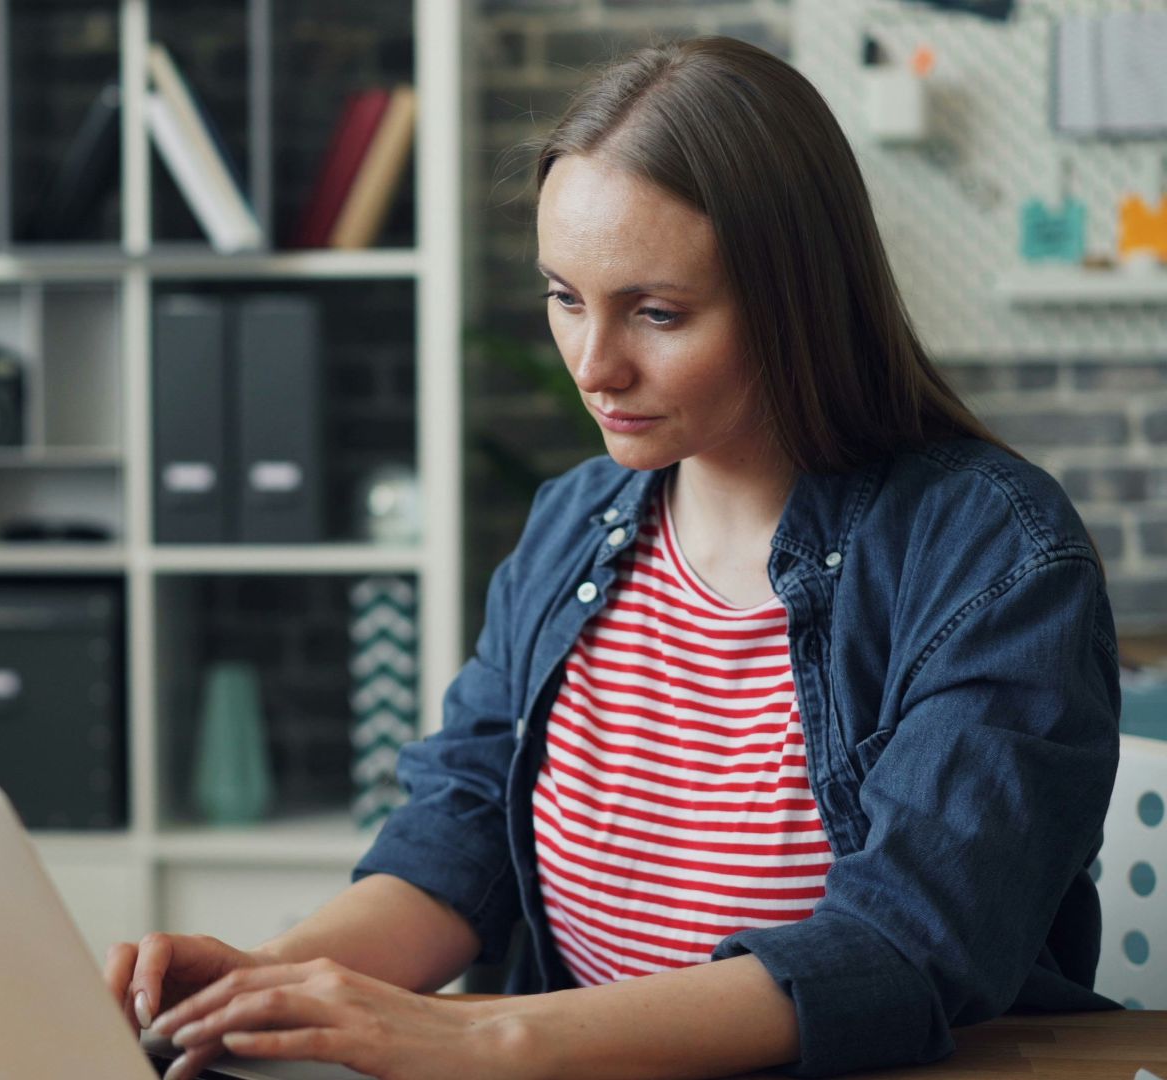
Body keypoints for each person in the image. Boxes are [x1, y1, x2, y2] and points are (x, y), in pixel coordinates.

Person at [105, 35, 1124, 1080]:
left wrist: (488, 1036)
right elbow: (463, 829)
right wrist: (263, 980)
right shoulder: (575, 523)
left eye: (657, 312)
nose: (596, 366)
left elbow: (907, 945)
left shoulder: (990, 556)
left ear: (801, 300)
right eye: (565, 297)